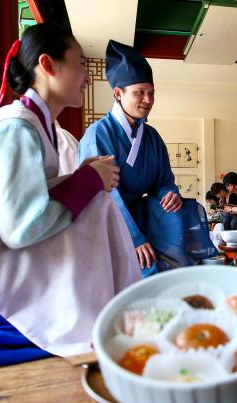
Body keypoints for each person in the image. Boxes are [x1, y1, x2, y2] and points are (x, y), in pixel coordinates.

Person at [0, 24, 141, 371]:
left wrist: (85, 177)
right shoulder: (16, 126)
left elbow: (35, 193)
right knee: (98, 204)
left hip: (6, 234)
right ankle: (106, 320)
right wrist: (86, 181)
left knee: (99, 201)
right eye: (80, 64)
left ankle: (114, 316)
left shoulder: (38, 123)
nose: (86, 76)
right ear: (48, 65)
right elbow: (19, 227)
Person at [79, 40, 216, 277]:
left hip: (142, 219)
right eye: (139, 92)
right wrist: (134, 238)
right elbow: (105, 195)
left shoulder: (152, 137)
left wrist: (169, 194)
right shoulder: (98, 135)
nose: (148, 100)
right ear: (118, 93)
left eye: (151, 93)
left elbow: (163, 180)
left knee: (181, 214)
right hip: (109, 223)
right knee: (144, 271)